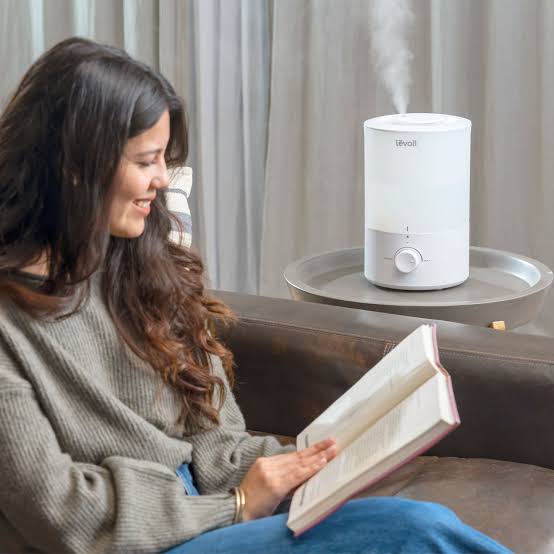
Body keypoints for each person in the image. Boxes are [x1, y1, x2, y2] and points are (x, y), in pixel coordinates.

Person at [0, 37, 512, 554]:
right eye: (146, 160)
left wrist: (311, 463)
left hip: (214, 516)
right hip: (146, 542)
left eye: (163, 159)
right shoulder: (9, 325)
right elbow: (61, 512)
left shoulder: (137, 266)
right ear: (74, 166)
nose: (161, 179)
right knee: (410, 532)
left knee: (410, 525)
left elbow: (216, 438)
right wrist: (238, 506)